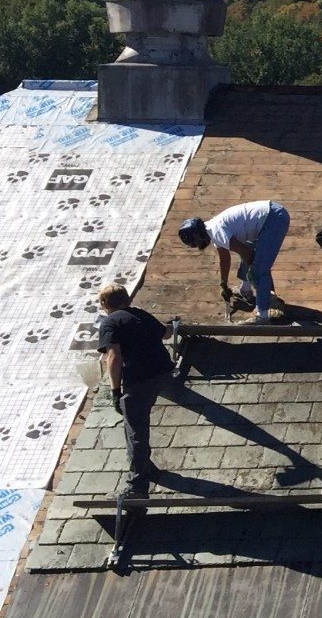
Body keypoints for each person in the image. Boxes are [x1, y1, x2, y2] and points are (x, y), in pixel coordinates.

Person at [96, 283, 175, 495]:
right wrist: (173, 324)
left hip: (139, 379)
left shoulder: (110, 323)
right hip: (163, 372)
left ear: (104, 304)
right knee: (134, 424)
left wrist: (115, 391)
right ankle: (147, 467)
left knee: (135, 430)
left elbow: (113, 357)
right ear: (128, 299)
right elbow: (165, 334)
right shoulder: (140, 314)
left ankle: (136, 486)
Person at [179, 200, 292, 322]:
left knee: (259, 269)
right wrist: (223, 284)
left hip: (274, 218)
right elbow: (224, 259)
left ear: (198, 235)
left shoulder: (217, 232)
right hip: (269, 214)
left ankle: (262, 314)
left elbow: (247, 253)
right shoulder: (212, 229)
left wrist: (255, 277)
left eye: (195, 243)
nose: (197, 246)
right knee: (249, 254)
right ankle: (246, 290)